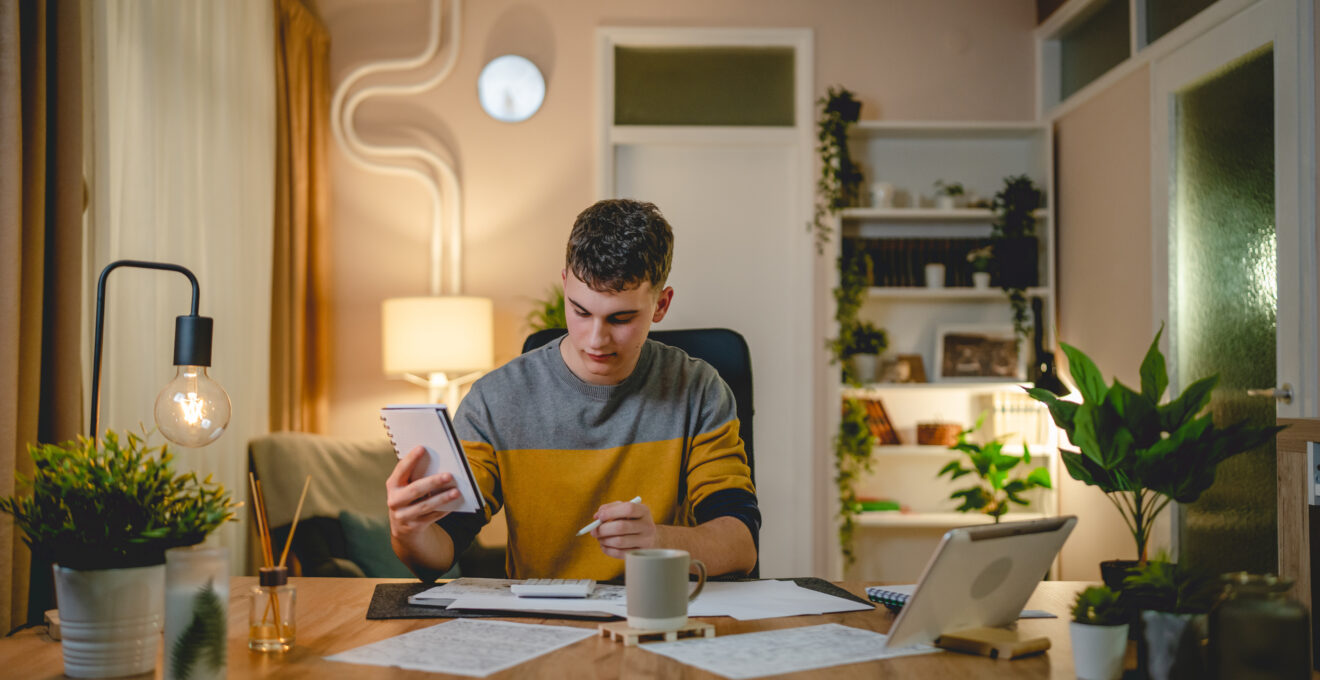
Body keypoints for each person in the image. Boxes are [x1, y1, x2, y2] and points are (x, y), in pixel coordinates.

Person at [386, 198, 760, 581]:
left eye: (621, 317)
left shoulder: (698, 391)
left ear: (660, 305)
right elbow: (441, 549)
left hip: (656, 616)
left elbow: (741, 544)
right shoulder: (494, 401)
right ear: (565, 284)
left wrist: (657, 539)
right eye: (581, 311)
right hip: (540, 626)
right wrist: (408, 531)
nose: (596, 339)